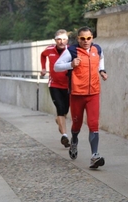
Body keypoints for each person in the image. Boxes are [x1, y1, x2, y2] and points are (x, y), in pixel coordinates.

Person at [54, 26, 108, 169]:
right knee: (76, 125)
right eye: (82, 38)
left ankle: (94, 156)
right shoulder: (71, 51)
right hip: (77, 94)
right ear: (78, 39)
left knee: (93, 124)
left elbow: (101, 58)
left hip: (93, 93)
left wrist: (102, 70)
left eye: (88, 38)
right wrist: (70, 64)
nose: (86, 41)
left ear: (92, 38)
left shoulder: (97, 49)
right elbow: (56, 66)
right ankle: (74, 141)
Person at [40, 29, 70, 148]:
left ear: (67, 40)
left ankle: (59, 120)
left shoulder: (71, 51)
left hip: (67, 85)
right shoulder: (49, 50)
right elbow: (42, 55)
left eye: (63, 39)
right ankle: (65, 136)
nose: (61, 42)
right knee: (60, 107)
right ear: (55, 40)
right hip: (54, 84)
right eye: (59, 39)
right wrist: (43, 68)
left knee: (65, 110)